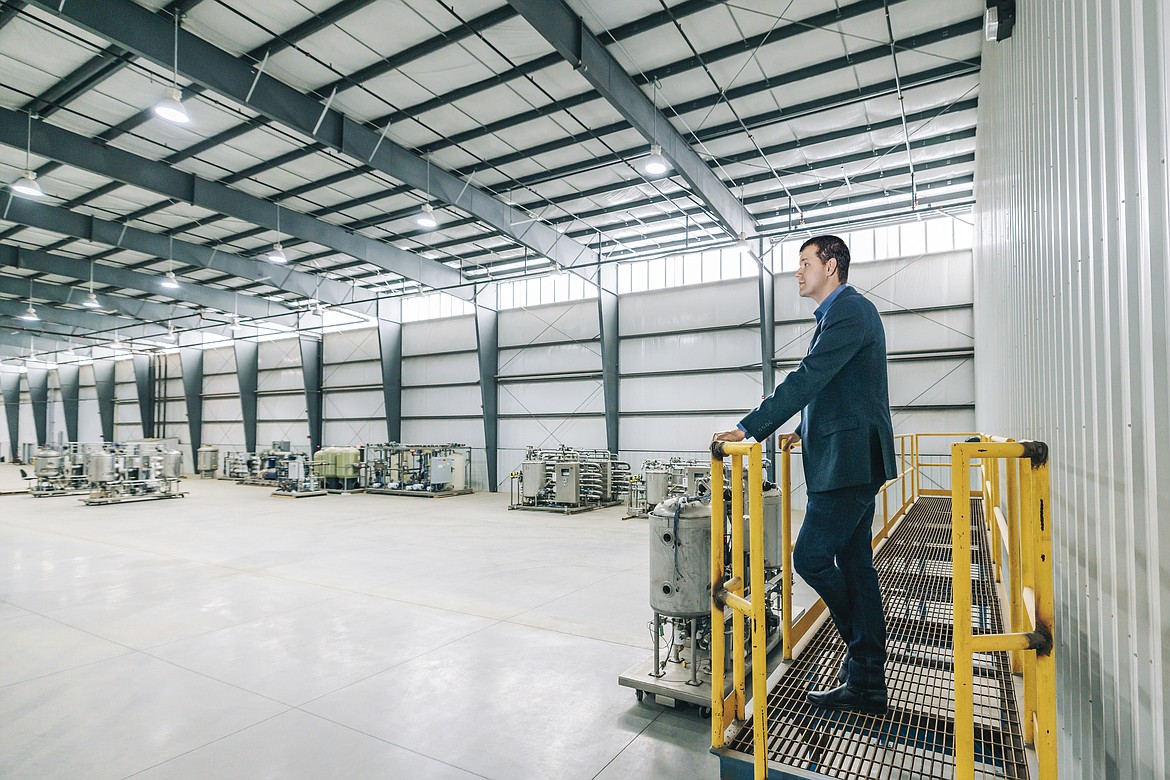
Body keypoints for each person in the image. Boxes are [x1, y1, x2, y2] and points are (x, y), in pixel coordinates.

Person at [713, 234, 896, 715]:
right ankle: (867, 679)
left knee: (811, 560)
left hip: (848, 464)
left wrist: (750, 427)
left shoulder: (851, 311)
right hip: (844, 458)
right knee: (855, 565)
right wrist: (802, 431)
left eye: (805, 262)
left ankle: (862, 651)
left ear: (832, 266)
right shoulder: (838, 315)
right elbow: (837, 390)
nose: (798, 272)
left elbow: (810, 377)